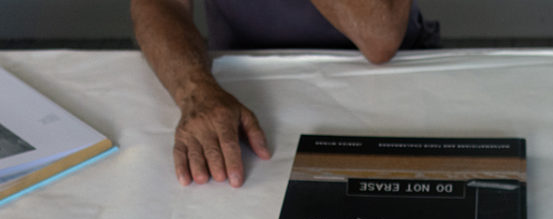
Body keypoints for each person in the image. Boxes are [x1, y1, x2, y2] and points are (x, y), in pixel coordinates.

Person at [131, 0, 438, 187]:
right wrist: (194, 89)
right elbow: (159, 4)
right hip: (243, 80)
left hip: (387, 78)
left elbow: (378, 35)